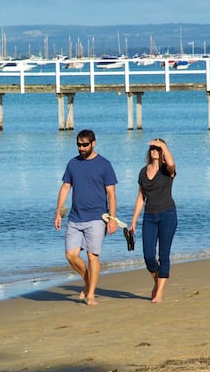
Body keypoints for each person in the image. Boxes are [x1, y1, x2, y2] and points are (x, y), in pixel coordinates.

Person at [54, 129, 118, 306]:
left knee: (92, 256)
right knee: (71, 255)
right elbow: (66, 187)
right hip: (75, 217)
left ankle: (91, 295)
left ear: (93, 143)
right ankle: (89, 281)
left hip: (97, 218)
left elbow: (111, 194)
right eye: (79, 145)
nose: (81, 148)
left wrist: (112, 218)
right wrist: (58, 212)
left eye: (84, 145)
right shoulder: (72, 164)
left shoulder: (104, 165)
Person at [128, 138, 177, 304]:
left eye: (157, 148)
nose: (154, 150)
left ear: (163, 151)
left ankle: (159, 293)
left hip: (167, 215)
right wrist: (134, 221)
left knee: (164, 255)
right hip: (149, 217)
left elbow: (172, 164)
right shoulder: (143, 172)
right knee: (148, 255)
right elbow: (141, 197)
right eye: (152, 148)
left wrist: (163, 145)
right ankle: (158, 282)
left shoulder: (167, 170)